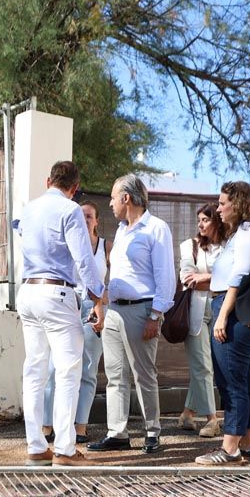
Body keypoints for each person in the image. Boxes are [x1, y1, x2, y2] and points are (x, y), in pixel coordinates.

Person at [15, 160, 106, 467]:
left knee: (35, 369)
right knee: (68, 371)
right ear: (75, 188)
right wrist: (97, 294)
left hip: (27, 291)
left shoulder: (27, 210)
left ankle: (36, 445)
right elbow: (83, 259)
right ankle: (65, 449)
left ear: (47, 181)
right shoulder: (70, 211)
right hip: (56, 292)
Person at [88, 174, 175, 455]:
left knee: (144, 374)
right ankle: (118, 433)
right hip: (115, 310)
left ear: (126, 198)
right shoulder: (123, 231)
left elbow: (165, 276)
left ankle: (152, 432)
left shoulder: (156, 229)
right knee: (115, 374)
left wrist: (155, 315)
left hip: (142, 311)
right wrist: (101, 304)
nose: (111, 203)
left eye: (113, 197)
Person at [195, 181, 250, 465]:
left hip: (237, 311)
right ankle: (248, 443)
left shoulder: (247, 233)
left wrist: (223, 315)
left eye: (222, 203)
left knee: (231, 378)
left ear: (237, 204)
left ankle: (229, 449)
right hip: (249, 312)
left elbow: (238, 276)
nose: (218, 208)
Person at [42, 201, 108, 444]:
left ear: (97, 221)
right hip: (68, 304)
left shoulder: (104, 246)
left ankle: (80, 426)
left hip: (94, 306)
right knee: (54, 367)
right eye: (81, 215)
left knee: (88, 369)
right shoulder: (67, 243)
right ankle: (47, 425)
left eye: (89, 215)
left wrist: (104, 297)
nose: (85, 219)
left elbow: (117, 273)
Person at [178, 203, 229, 438]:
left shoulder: (229, 246)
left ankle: (187, 413)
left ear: (217, 221)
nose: (201, 224)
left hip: (223, 310)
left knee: (210, 365)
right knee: (203, 365)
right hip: (195, 311)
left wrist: (205, 278)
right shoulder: (190, 246)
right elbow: (187, 279)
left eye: (206, 219)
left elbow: (233, 279)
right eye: (199, 219)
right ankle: (211, 419)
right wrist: (215, 280)